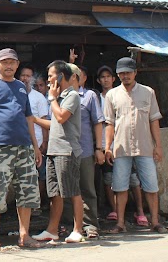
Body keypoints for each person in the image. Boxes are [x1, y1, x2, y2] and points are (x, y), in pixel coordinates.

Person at [0, 48, 42, 251]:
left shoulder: (21, 87)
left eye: (12, 62)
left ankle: (24, 235)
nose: (9, 65)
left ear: (17, 64)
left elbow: (28, 118)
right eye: (5, 62)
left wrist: (36, 146)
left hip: (24, 147)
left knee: (27, 191)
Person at [104, 57, 168, 234]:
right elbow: (109, 123)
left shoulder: (148, 92)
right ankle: (120, 223)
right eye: (122, 73)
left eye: (128, 72)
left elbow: (154, 120)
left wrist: (159, 146)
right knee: (119, 187)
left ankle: (155, 222)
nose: (125, 76)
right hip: (121, 147)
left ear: (135, 73)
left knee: (151, 186)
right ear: (118, 75)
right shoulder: (112, 95)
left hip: (145, 146)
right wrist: (107, 147)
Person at [32, 61, 84, 243]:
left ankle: (78, 230)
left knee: (72, 191)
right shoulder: (58, 97)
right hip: (54, 151)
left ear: (62, 76)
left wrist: (52, 98)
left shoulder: (72, 96)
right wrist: (35, 120)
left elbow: (61, 117)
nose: (48, 80)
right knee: (54, 193)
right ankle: (52, 230)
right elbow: (54, 123)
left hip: (66, 150)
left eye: (51, 76)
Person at [97, 65, 147, 224]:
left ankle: (139, 211)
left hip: (126, 144)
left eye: (108, 76)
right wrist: (103, 147)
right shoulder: (97, 98)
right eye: (102, 77)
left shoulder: (123, 94)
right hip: (107, 144)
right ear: (98, 80)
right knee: (109, 179)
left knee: (133, 180)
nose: (105, 79)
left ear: (113, 78)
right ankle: (115, 211)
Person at [60, 65, 104, 239]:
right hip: (64, 150)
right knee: (67, 190)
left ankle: (90, 224)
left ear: (76, 78)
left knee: (87, 189)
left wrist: (99, 148)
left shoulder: (90, 96)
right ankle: (68, 224)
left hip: (85, 150)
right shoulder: (58, 97)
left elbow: (97, 122)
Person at [18, 65, 49, 209]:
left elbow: (44, 121)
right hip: (19, 143)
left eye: (28, 76)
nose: (25, 78)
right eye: (23, 75)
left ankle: (38, 204)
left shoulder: (39, 97)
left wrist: (45, 142)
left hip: (37, 143)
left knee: (39, 175)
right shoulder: (15, 94)